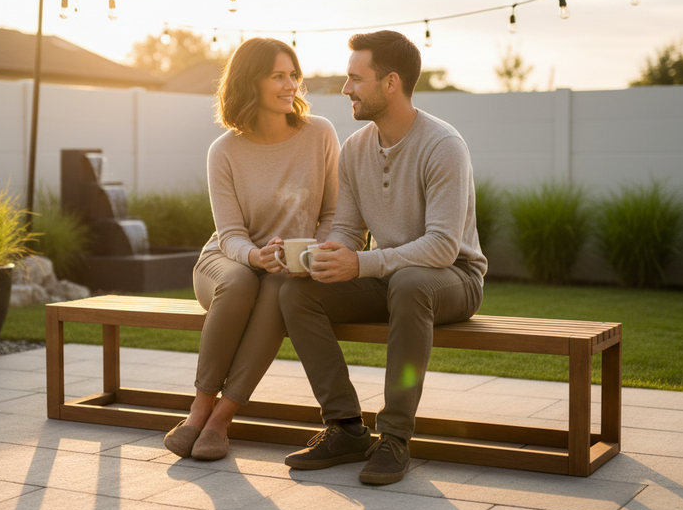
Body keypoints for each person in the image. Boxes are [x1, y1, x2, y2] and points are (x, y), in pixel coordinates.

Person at [279, 30, 487, 485]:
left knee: (410, 284)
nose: (346, 88)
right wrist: (317, 256)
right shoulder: (355, 149)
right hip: (388, 278)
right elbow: (349, 231)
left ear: (391, 83)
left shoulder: (443, 145)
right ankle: (345, 427)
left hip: (453, 278)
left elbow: (442, 246)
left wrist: (362, 264)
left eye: (356, 78)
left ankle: (394, 437)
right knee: (297, 293)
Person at [164, 37, 340, 461]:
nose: (291, 85)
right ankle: (199, 408)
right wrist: (255, 256)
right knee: (243, 281)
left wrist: (309, 254)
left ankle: (222, 418)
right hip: (227, 261)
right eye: (278, 76)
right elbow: (230, 234)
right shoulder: (224, 151)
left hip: (286, 268)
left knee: (279, 291)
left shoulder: (320, 134)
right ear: (250, 82)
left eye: (293, 75)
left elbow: (334, 213)